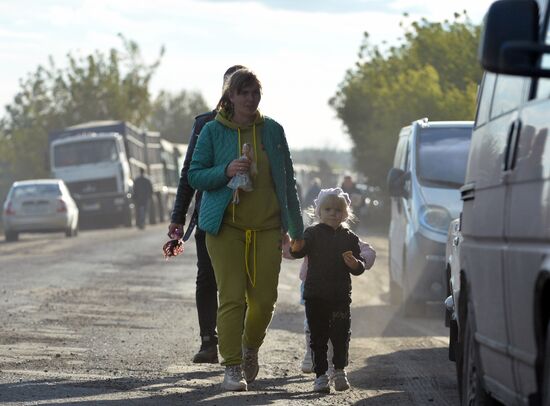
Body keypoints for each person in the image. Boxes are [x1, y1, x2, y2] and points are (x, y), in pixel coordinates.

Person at [188, 68, 303, 392]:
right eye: (244, 93)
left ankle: (250, 347)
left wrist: (297, 231)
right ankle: (232, 367)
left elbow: (287, 183)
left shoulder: (273, 131)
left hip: (267, 226)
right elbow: (195, 176)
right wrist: (225, 170)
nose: (251, 99)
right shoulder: (212, 131)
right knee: (232, 298)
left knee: (264, 300)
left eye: (255, 93)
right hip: (225, 226)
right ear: (231, 96)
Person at [168, 65, 246, 364]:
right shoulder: (205, 125)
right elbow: (189, 172)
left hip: (247, 217)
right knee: (207, 277)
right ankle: (208, 341)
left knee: (243, 279)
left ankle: (237, 339)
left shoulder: (258, 127)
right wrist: (178, 216)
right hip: (210, 214)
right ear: (228, 90)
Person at [290, 187, 366, 393]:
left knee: (341, 334)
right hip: (315, 295)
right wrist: (295, 245)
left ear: (346, 213)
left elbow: (360, 267)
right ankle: (321, 375)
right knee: (318, 336)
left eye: (338, 210)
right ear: (319, 212)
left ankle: (339, 370)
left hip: (340, 296)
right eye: (328, 209)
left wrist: (354, 264)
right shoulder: (311, 233)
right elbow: (298, 252)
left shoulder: (349, 237)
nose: (333, 213)